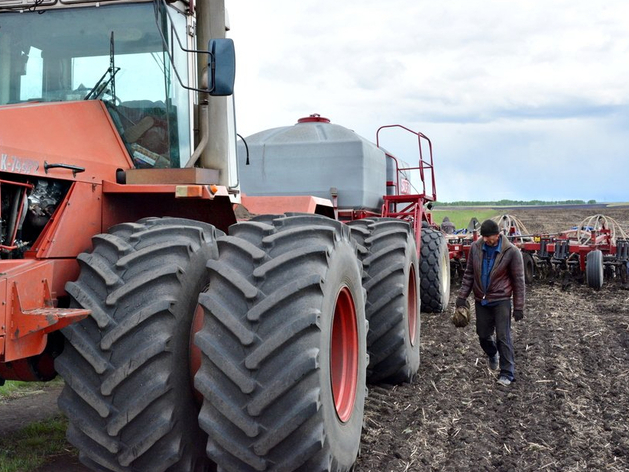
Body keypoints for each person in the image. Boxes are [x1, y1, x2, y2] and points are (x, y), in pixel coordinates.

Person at [456, 219, 525, 386]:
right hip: (482, 299)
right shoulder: (476, 248)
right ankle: (493, 353)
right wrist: (462, 296)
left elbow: (518, 281)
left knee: (503, 336)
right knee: (483, 335)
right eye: (483, 236)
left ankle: (507, 373)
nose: (485, 239)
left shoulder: (511, 252)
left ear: (497, 235)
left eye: (488, 237)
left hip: (501, 299)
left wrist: (518, 307)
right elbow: (469, 274)